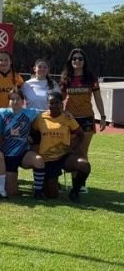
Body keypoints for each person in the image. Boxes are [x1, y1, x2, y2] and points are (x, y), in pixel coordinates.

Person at [59, 48, 106, 193]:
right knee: (72, 150)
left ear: (84, 61)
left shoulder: (90, 77)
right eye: (74, 59)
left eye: (80, 58)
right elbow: (59, 98)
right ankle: (74, 183)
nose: (77, 61)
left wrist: (103, 116)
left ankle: (81, 184)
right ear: (70, 61)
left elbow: (98, 98)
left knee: (83, 150)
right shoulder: (66, 78)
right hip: (71, 119)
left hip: (86, 118)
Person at [32, 92, 90, 202]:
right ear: (47, 104)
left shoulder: (67, 117)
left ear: (61, 104)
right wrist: (36, 150)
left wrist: (73, 148)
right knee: (52, 195)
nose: (54, 105)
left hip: (64, 156)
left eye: (57, 103)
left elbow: (80, 134)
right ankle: (46, 182)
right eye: (51, 103)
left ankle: (75, 192)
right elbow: (34, 133)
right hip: (48, 159)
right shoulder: (41, 118)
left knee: (84, 165)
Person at [0, 88, 46, 199]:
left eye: (18, 99)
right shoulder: (1, 112)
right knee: (11, 192)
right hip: (7, 155)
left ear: (23, 101)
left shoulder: (30, 112)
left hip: (23, 153)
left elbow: (47, 111)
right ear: (8, 101)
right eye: (12, 99)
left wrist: (64, 113)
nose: (15, 102)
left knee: (39, 160)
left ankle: (38, 193)